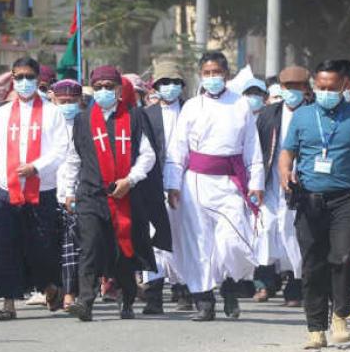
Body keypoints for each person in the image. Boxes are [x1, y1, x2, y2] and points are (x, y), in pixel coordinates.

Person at [278, 59, 350, 349]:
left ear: (344, 86)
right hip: (309, 200)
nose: (326, 92)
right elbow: (287, 152)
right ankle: (315, 328)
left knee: (345, 257)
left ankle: (340, 313)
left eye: (332, 87)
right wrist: (285, 172)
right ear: (314, 86)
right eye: (321, 87)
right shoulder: (302, 116)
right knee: (313, 264)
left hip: (345, 199)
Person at [62, 65, 169, 321]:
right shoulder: (83, 120)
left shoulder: (134, 116)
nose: (103, 91)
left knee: (123, 249)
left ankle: (127, 299)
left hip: (125, 195)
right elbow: (74, 157)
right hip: (91, 193)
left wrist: (130, 180)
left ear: (119, 90)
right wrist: (68, 191)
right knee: (90, 246)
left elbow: (148, 155)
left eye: (109, 87)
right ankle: (85, 302)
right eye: (98, 87)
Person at [165, 51, 264, 321]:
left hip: (230, 182)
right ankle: (204, 301)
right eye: (207, 73)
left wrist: (256, 182)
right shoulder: (191, 107)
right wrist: (172, 184)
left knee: (232, 240)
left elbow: (252, 147)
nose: (212, 78)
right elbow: (178, 149)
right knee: (198, 243)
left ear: (226, 75)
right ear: (201, 75)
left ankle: (230, 285)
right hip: (195, 183)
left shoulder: (241, 104)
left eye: (216, 73)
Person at [0, 57, 69, 319]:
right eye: (19, 77)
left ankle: (50, 287)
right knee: (6, 247)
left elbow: (61, 149)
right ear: (13, 79)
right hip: (8, 192)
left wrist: (36, 167)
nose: (24, 82)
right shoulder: (2, 114)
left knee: (42, 247)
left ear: (38, 79)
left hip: (42, 192)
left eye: (29, 77)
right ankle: (8, 304)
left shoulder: (52, 112)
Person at [253, 66, 311, 306]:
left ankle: (295, 286)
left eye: (298, 87)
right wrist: (255, 182)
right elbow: (256, 149)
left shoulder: (313, 113)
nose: (292, 91)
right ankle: (264, 282)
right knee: (266, 230)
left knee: (292, 233)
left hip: (301, 183)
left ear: (306, 89)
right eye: (288, 87)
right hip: (270, 181)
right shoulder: (269, 113)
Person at [142, 60, 190, 314]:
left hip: (188, 184)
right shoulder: (146, 115)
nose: (170, 86)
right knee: (154, 241)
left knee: (182, 238)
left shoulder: (191, 111)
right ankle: (153, 295)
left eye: (174, 82)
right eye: (164, 82)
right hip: (154, 184)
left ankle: (183, 290)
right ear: (156, 86)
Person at [51, 79, 85, 309]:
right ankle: (52, 290)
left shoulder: (85, 124)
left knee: (72, 246)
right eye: (62, 101)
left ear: (80, 100)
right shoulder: (48, 124)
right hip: (48, 191)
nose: (67, 105)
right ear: (54, 100)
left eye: (72, 101)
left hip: (77, 193)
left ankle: (71, 294)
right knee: (52, 246)